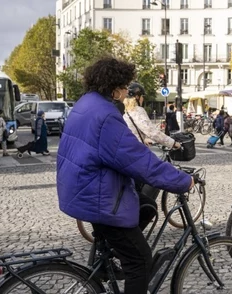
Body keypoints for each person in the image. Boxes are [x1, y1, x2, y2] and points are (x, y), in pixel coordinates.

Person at [56, 56, 193, 294]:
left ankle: (107, 259)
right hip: (97, 197)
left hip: (79, 187)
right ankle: (117, 257)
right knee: (140, 261)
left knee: (147, 205)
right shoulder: (106, 116)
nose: (126, 90)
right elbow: (140, 161)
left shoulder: (86, 103)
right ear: (115, 88)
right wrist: (182, 181)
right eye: (124, 86)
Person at [123, 83, 181, 149]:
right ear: (137, 97)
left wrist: (144, 139)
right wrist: (173, 143)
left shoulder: (126, 112)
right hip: (136, 151)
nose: (143, 99)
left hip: (128, 149)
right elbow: (152, 132)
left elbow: (133, 132)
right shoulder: (137, 110)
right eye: (142, 96)